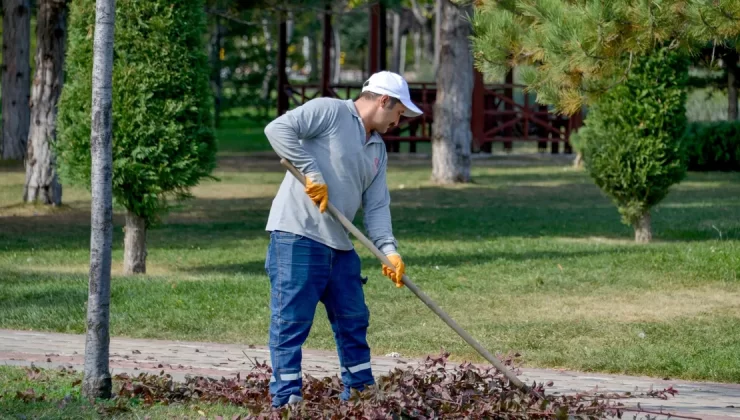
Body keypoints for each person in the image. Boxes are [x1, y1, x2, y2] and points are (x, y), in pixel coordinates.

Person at [262, 71, 424, 407]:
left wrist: (389, 252)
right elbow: (276, 129)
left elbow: (377, 207)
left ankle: (360, 392)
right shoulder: (331, 111)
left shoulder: (377, 148)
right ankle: (287, 398)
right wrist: (311, 172)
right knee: (291, 320)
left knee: (353, 319)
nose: (400, 120)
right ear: (383, 101)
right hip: (298, 235)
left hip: (340, 246)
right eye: (399, 112)